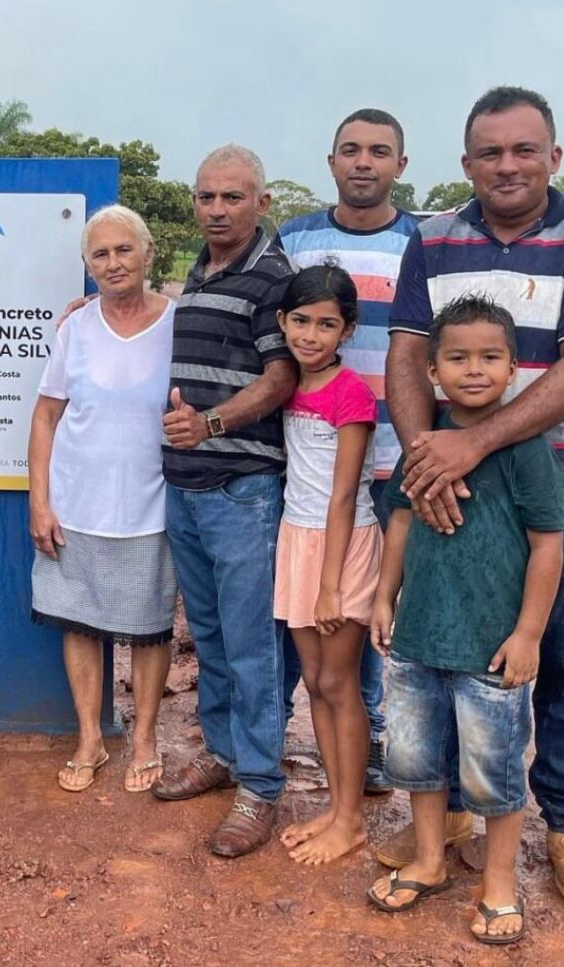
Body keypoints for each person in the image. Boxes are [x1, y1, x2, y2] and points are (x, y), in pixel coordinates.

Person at [383, 86, 564, 891]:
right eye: (490, 152)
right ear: (465, 163)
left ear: (553, 157)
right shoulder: (430, 239)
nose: (507, 165)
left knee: (547, 655)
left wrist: (474, 442)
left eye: (524, 149)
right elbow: (406, 352)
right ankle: (446, 815)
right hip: (445, 482)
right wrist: (426, 459)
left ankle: (556, 821)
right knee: (449, 651)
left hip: (544, 475)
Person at [368, 295, 563, 945]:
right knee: (416, 761)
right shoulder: (423, 442)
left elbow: (547, 541)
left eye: (489, 357)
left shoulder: (525, 447)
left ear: (513, 369)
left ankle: (500, 884)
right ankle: (428, 859)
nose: (472, 369)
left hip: (489, 647)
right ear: (430, 369)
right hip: (417, 637)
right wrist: (380, 597)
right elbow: (397, 518)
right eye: (456, 356)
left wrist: (528, 632)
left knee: (492, 771)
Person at [150, 146, 298, 857]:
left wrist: (210, 423)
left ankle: (261, 785)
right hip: (184, 486)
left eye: (231, 197)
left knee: (250, 645)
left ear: (260, 203)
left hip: (242, 489)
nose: (216, 209)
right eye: (206, 196)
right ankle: (222, 752)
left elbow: (280, 377)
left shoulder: (273, 278)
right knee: (205, 637)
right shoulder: (201, 268)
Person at [279, 108, 418, 797]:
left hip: (395, 456)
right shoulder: (294, 237)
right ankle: (339, 764)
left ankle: (373, 764)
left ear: (400, 164)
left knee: (372, 628)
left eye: (379, 151)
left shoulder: (420, 242)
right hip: (310, 467)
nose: (363, 162)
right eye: (350, 150)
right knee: (322, 653)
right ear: (330, 161)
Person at [29, 204, 177, 794]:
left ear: (147, 253)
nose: (112, 263)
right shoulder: (77, 327)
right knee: (81, 623)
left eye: (123, 250)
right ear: (87, 265)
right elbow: (45, 416)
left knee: (149, 629)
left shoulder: (178, 321)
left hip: (150, 505)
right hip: (76, 505)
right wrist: (40, 500)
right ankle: (90, 738)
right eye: (100, 254)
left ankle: (144, 739)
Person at [272, 265, 382, 864]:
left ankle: (352, 818)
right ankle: (338, 808)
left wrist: (331, 587)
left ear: (347, 328)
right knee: (315, 681)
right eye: (302, 321)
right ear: (284, 322)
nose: (311, 335)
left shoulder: (352, 394)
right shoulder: (288, 382)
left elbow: (343, 496)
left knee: (340, 681)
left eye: (327, 324)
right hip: (298, 539)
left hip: (342, 548)